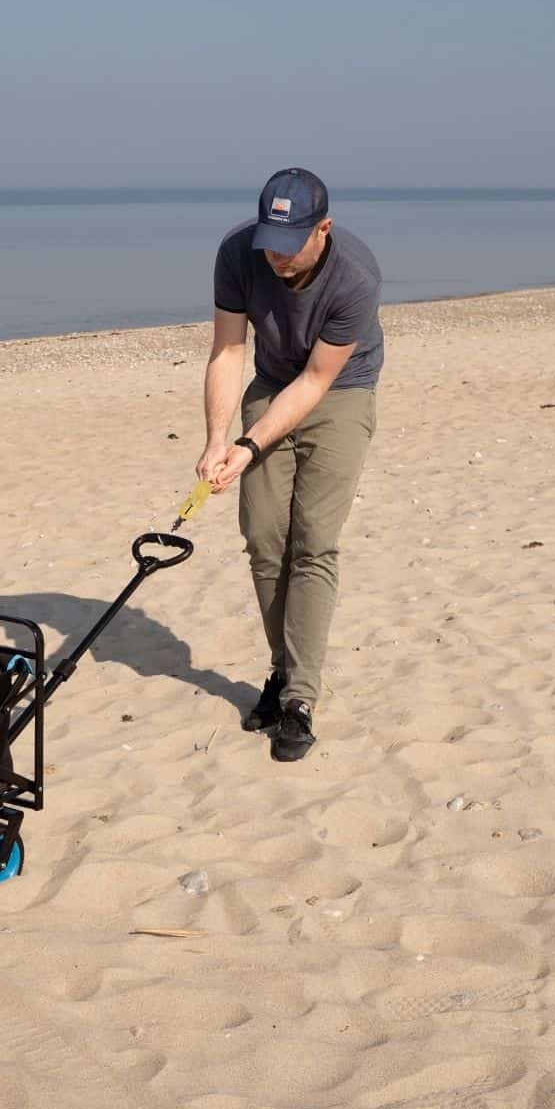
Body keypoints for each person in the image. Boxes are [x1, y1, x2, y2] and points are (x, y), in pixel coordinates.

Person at [197, 168, 383, 762]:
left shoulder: (354, 276)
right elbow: (228, 349)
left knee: (314, 542)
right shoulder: (237, 253)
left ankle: (300, 696)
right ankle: (280, 670)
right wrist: (216, 440)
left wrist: (250, 446)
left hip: (339, 391)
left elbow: (317, 380)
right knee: (264, 536)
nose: (275, 256)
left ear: (322, 229)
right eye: (268, 241)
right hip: (272, 379)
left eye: (290, 242)